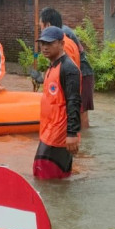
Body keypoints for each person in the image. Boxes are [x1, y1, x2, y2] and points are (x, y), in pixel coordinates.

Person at [33, 26, 81, 179]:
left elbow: (74, 101)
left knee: (43, 171)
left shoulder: (69, 68)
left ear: (61, 44)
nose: (44, 47)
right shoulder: (53, 66)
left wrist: (72, 133)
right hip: (48, 129)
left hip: (59, 132)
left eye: (49, 43)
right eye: (42, 44)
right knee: (52, 177)